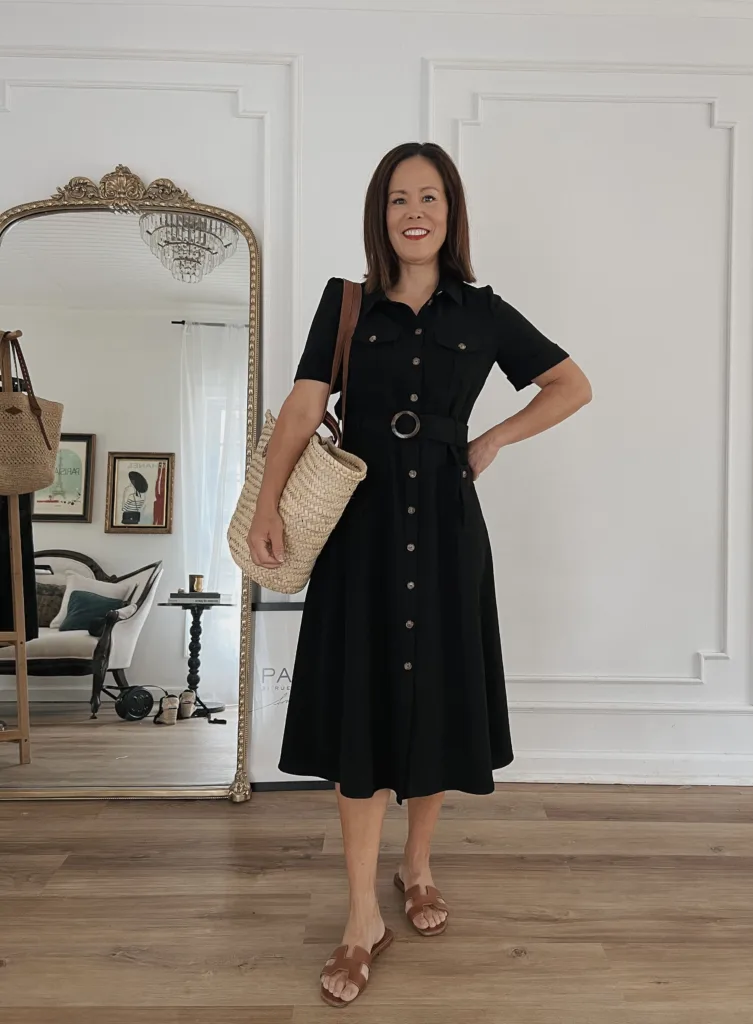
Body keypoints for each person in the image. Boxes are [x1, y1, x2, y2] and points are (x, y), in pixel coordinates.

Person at [246, 141, 592, 1007]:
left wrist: (490, 440)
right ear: (382, 213)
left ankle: (419, 865)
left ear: (450, 211)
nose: (415, 210)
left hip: (444, 526)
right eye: (400, 196)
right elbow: (300, 405)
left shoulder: (481, 312)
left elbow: (569, 384)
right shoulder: (348, 303)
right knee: (365, 706)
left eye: (430, 196)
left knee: (435, 695)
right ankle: (361, 914)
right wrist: (266, 506)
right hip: (360, 527)